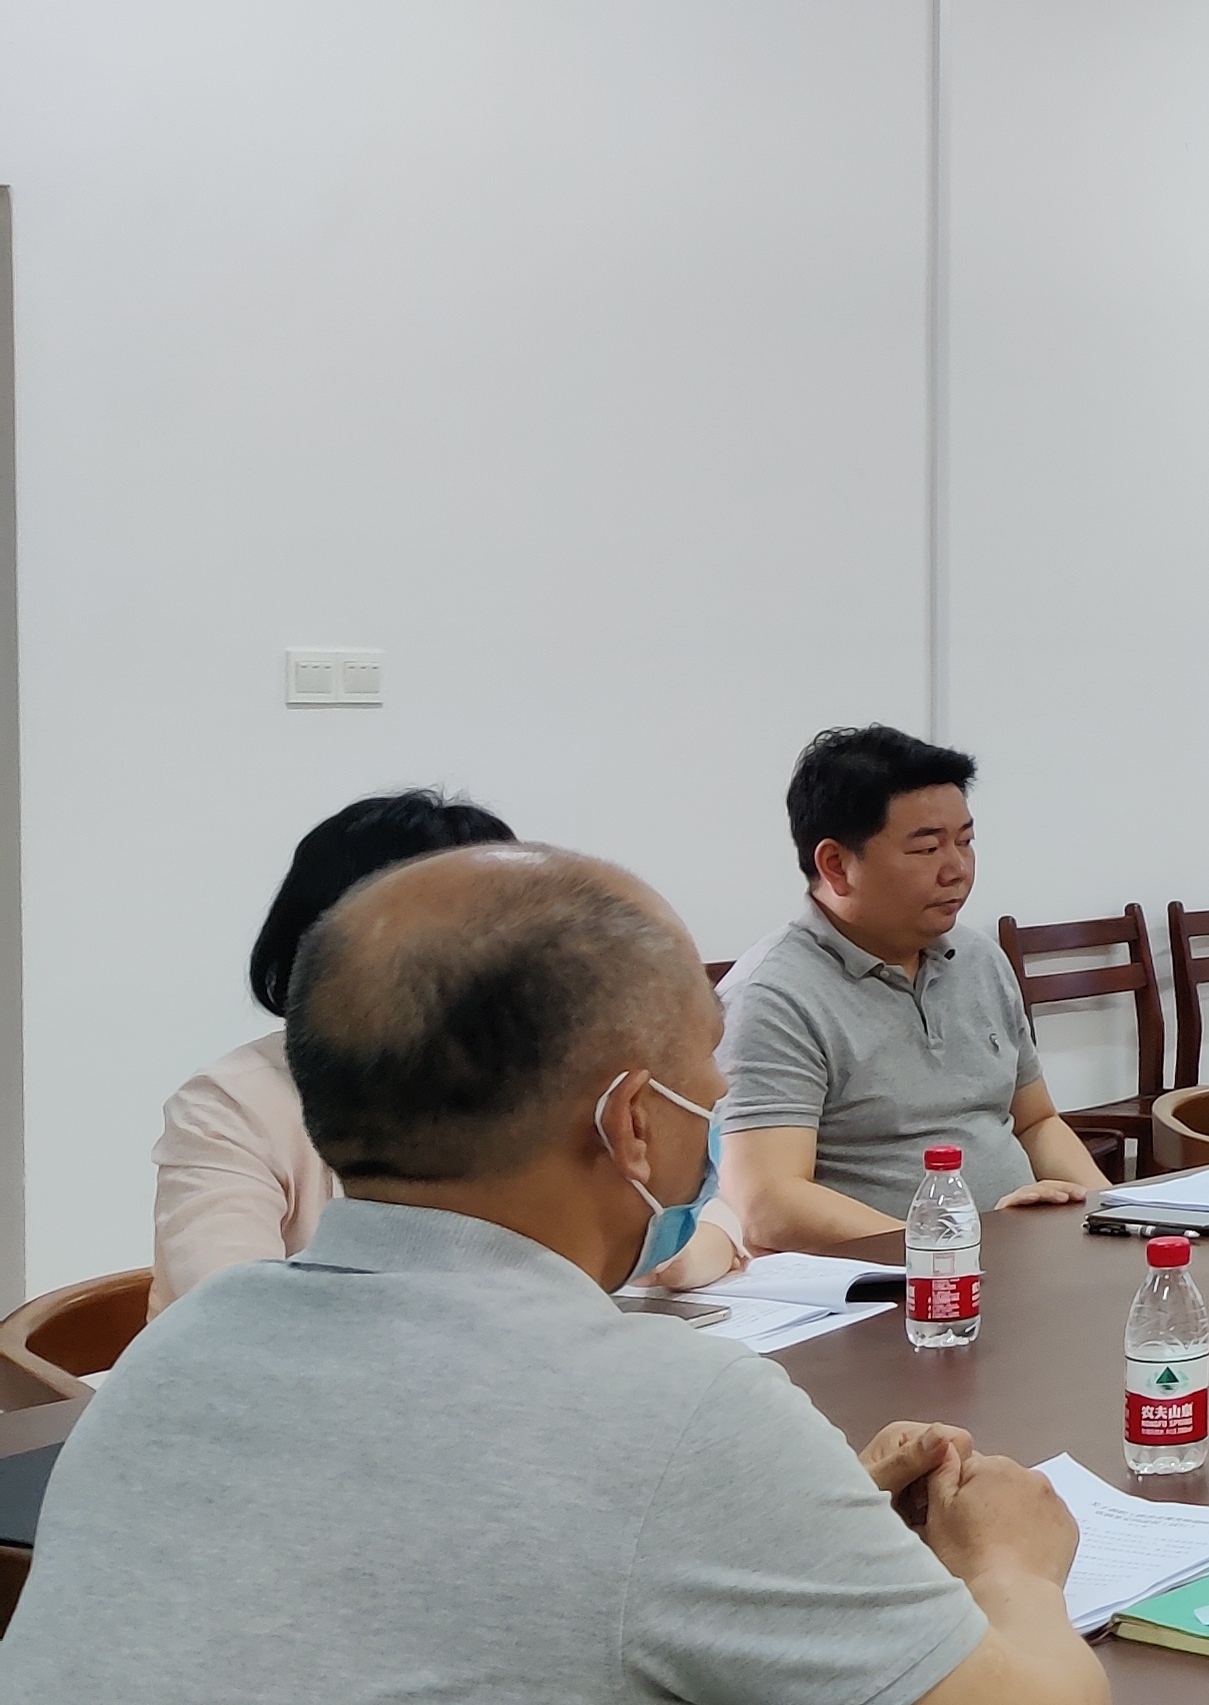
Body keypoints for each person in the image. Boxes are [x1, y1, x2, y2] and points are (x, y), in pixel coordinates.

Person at [0, 844, 1107, 1705]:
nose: (722, 1093)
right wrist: (1010, 1567)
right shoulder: (676, 1413)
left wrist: (799, 1525)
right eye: (705, 1059)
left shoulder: (169, 1363)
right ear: (631, 1122)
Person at [149, 789, 736, 1316]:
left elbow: (703, 1213)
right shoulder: (231, 1105)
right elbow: (237, 1309)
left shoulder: (531, 1077)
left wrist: (666, 1252)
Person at [718, 726, 1107, 1255]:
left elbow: (1036, 1121)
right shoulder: (773, 997)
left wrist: (1108, 1208)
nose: (958, 870)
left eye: (965, 842)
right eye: (927, 848)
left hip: (1012, 1257)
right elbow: (769, 1203)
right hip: (888, 1281)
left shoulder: (978, 960)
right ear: (836, 865)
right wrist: (946, 1246)